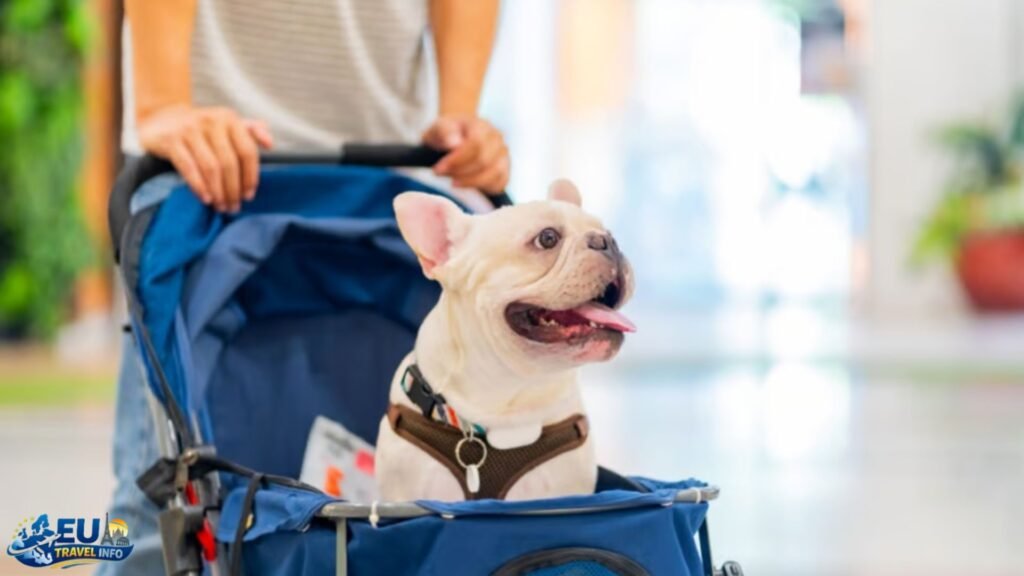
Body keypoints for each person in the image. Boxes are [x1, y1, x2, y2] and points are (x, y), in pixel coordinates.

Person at [102, 1, 508, 573]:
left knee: (419, 495)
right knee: (161, 509)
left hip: (392, 183)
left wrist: (461, 117)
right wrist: (162, 105)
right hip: (202, 170)